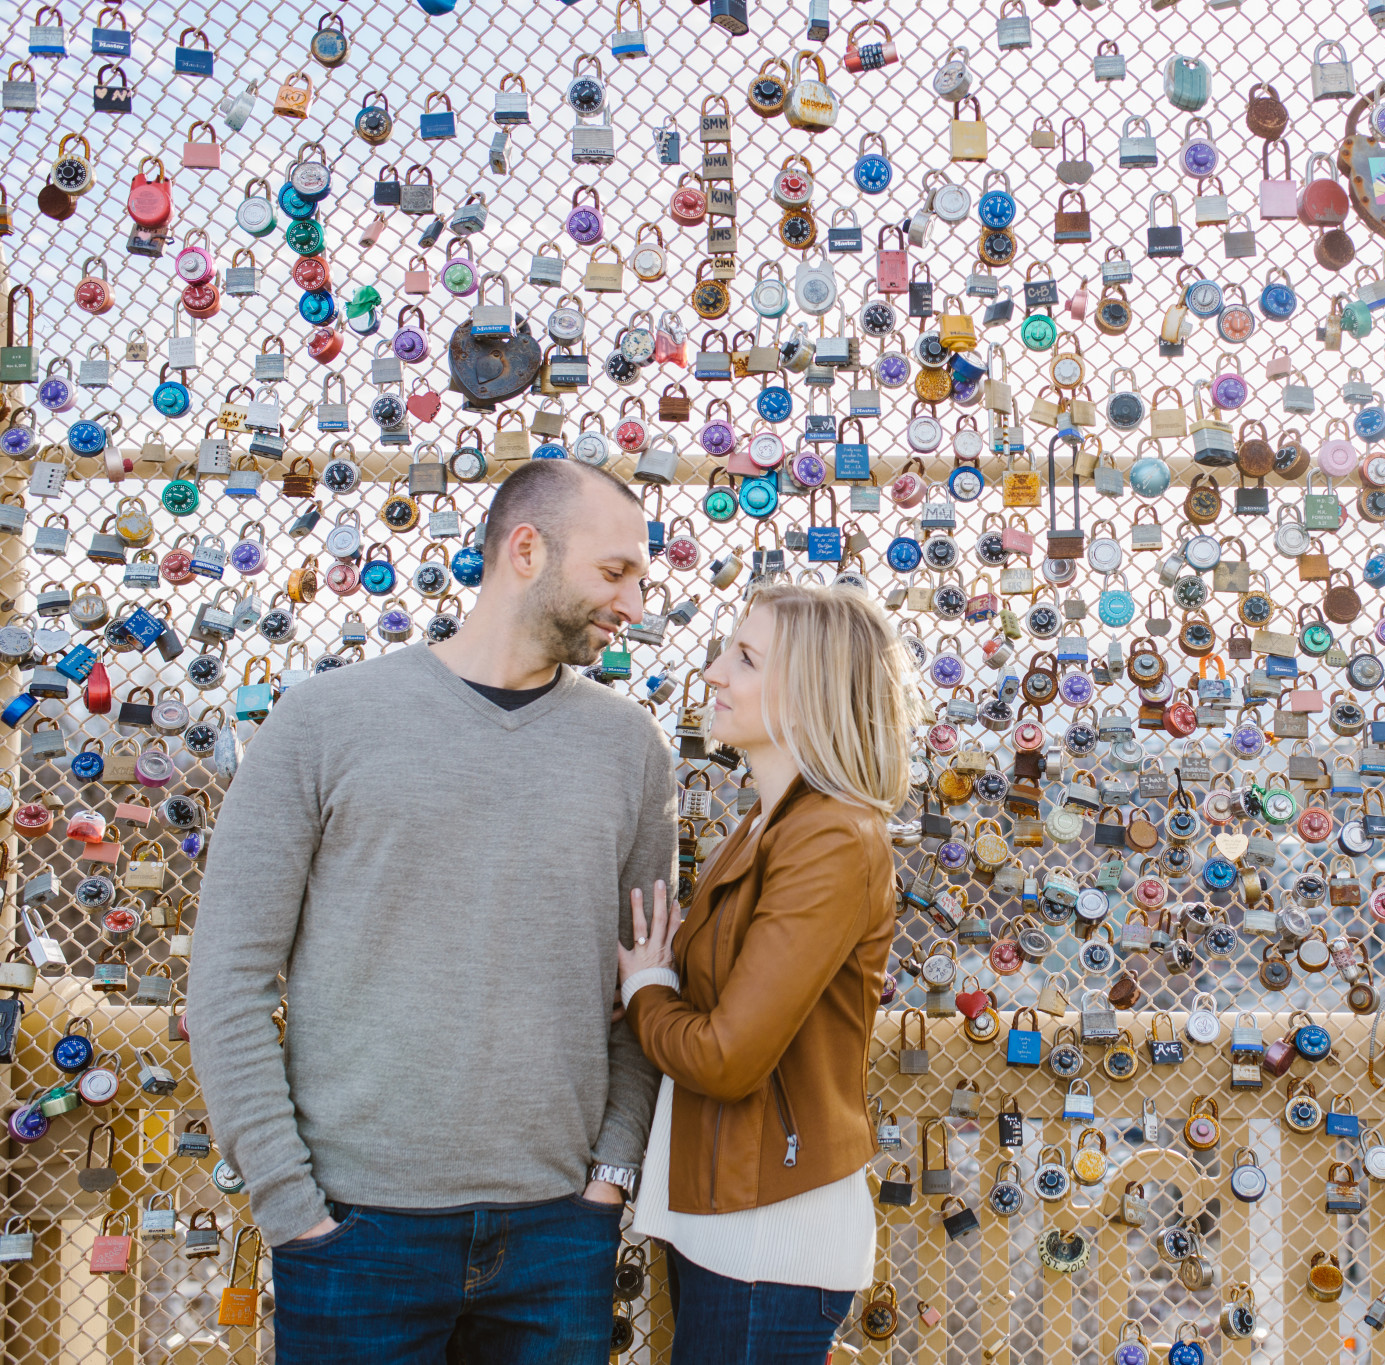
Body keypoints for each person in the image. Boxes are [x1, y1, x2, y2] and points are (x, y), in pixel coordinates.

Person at [189, 460, 677, 1364]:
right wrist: (291, 1208)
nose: (637, 603)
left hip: (556, 1238)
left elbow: (645, 980)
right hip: (353, 1234)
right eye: (616, 573)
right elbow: (227, 979)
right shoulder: (323, 721)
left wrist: (611, 1175)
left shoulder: (630, 748)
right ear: (526, 549)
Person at [616, 582, 912, 1365]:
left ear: (810, 691)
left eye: (744, 658)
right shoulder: (767, 823)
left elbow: (728, 1056)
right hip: (729, 1217)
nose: (713, 672)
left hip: (769, 1232)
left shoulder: (831, 839)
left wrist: (647, 989)